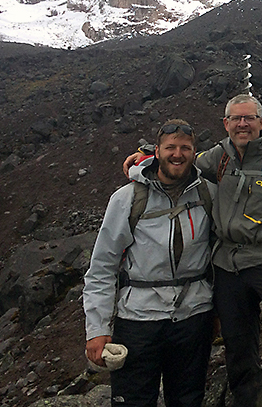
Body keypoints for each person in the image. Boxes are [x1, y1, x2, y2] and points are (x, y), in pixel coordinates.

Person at [122, 95, 262, 407]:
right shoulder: (219, 158)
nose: (242, 124)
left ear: (261, 123)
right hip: (228, 266)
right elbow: (182, 163)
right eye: (235, 118)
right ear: (225, 124)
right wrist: (146, 157)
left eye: (249, 118)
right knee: (238, 351)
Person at [85, 119, 216, 407]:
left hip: (194, 317)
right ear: (156, 151)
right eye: (170, 147)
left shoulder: (208, 193)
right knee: (133, 400)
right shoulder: (128, 199)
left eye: (185, 148)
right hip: (138, 320)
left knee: (188, 400)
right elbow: (102, 267)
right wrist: (97, 330)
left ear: (195, 152)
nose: (177, 154)